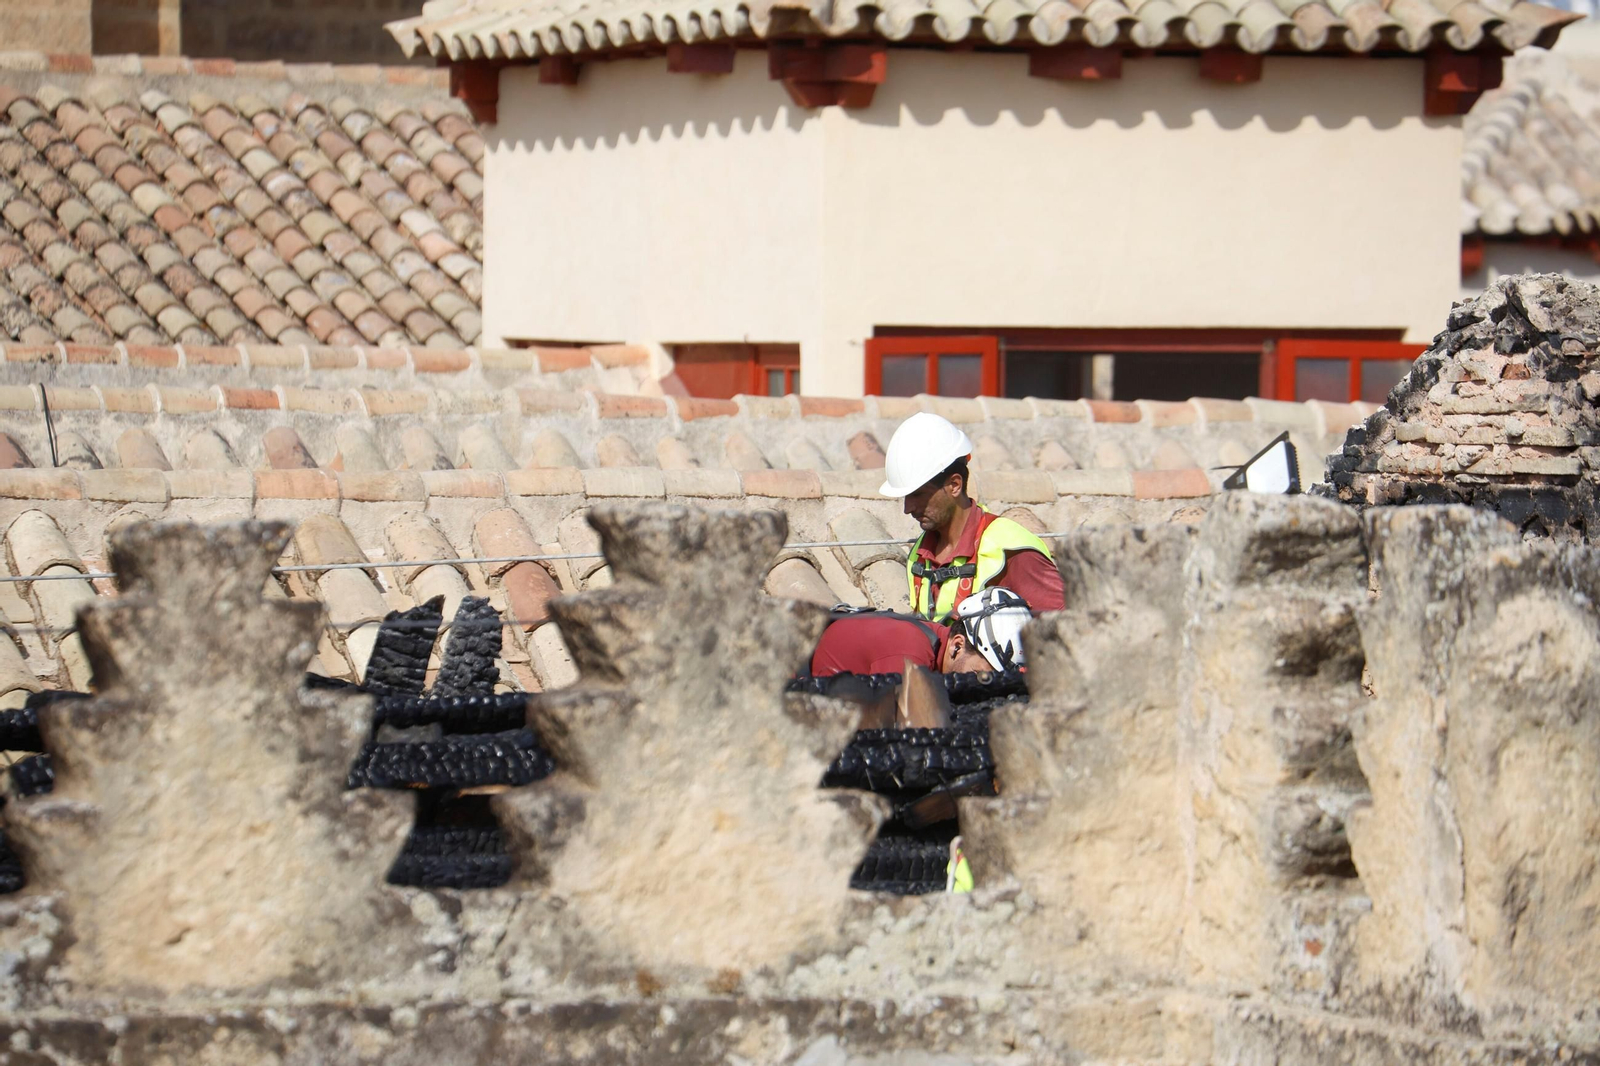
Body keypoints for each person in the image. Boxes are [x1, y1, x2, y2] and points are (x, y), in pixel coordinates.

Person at [879, 412, 1065, 623]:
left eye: (918, 495)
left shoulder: (1011, 549)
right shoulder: (920, 554)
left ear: (954, 485)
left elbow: (1068, 627)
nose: (908, 508)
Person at [809, 588, 1033, 677]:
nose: (982, 686)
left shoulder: (930, 642)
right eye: (980, 675)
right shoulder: (910, 654)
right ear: (957, 645)